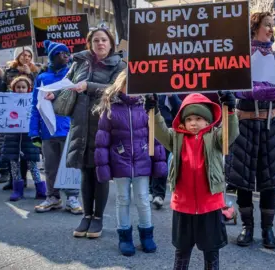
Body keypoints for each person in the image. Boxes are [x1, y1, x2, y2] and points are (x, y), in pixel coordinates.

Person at [45, 27, 126, 238]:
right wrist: (53, 94)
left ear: (110, 44)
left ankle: (98, 217)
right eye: (96, 40)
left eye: (104, 40)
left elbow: (115, 90)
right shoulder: (79, 62)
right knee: (85, 171)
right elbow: (67, 84)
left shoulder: (119, 64)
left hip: (104, 125)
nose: (100, 44)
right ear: (90, 43)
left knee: (100, 172)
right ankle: (86, 215)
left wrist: (88, 86)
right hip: (80, 124)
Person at [145, 91, 238, 270]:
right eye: (189, 119)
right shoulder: (176, 137)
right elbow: (160, 131)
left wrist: (230, 110)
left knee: (211, 250)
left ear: (208, 120)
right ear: (183, 121)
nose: (193, 123)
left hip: (210, 205)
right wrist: (154, 111)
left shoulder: (216, 137)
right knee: (182, 250)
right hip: (183, 206)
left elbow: (231, 133)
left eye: (198, 118)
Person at [225, 12, 275, 249]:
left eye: (272, 26)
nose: (271, 30)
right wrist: (243, 92)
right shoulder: (240, 56)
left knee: (268, 181)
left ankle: (268, 230)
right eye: (268, 25)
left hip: (269, 124)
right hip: (244, 123)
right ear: (255, 28)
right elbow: (228, 86)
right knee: (243, 181)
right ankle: (247, 227)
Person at [94, 69, 166, 255]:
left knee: (143, 199)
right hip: (119, 161)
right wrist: (103, 168)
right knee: (123, 199)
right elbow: (102, 140)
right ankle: (124, 237)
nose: (132, 89)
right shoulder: (110, 108)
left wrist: (159, 162)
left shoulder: (147, 107)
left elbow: (156, 137)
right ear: (121, 85)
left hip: (142, 160)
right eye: (128, 85)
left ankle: (147, 235)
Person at [30, 40, 83, 214]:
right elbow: (34, 106)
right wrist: (33, 131)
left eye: (67, 53)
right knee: (50, 166)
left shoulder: (73, 75)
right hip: (47, 130)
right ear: (53, 56)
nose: (66, 55)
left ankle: (73, 197)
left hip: (70, 127)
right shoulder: (42, 78)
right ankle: (52, 197)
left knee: (71, 165)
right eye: (62, 53)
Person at [1, 76, 46, 201]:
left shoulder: (33, 100)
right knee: (14, 165)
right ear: (13, 88)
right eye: (18, 87)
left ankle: (41, 190)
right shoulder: (8, 100)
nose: (21, 89)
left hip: (28, 137)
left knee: (32, 165)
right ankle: (17, 190)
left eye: (23, 87)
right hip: (12, 137)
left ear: (28, 88)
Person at [2, 46, 39, 190]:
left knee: (26, 149)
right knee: (13, 150)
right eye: (23, 55)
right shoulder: (10, 71)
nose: (26, 58)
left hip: (27, 116)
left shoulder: (35, 71)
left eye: (29, 55)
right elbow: (1, 88)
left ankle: (24, 179)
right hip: (11, 114)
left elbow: (38, 88)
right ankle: (14, 179)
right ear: (18, 57)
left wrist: (30, 75)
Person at [150, 94, 182, 209]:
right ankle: (150, 190)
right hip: (145, 127)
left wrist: (172, 96)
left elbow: (179, 107)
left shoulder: (168, 92)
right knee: (148, 160)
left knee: (161, 162)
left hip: (164, 128)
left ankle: (159, 194)